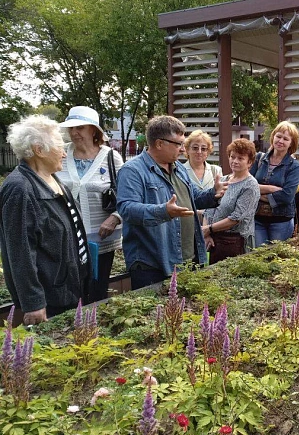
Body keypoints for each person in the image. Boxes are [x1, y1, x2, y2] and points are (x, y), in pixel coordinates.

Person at [116, 116, 227, 290]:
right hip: (153, 263)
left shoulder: (178, 167)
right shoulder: (132, 171)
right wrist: (164, 211)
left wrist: (214, 194)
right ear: (159, 143)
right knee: (156, 314)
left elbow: (193, 198)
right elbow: (127, 209)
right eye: (179, 144)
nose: (183, 149)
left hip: (187, 257)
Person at [0, 115, 92, 324]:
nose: (64, 152)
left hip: (71, 289)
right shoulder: (20, 189)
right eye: (59, 146)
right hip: (50, 299)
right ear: (39, 150)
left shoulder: (51, 178)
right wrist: (33, 303)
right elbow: (19, 252)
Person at [56, 106, 124, 302]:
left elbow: (127, 195)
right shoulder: (60, 155)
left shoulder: (111, 157)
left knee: (96, 290)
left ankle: (93, 330)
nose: (74, 133)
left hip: (100, 238)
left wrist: (116, 217)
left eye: (80, 127)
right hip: (66, 239)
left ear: (94, 130)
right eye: (71, 128)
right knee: (70, 292)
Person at [202, 139, 260, 264]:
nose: (235, 161)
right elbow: (209, 208)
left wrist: (208, 229)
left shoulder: (250, 185)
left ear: (249, 162)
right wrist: (206, 233)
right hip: (214, 239)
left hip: (234, 242)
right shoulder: (223, 179)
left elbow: (235, 218)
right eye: (232, 157)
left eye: (240, 158)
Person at [249, 121, 299, 245]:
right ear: (273, 137)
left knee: (277, 259)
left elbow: (287, 196)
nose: (280, 141)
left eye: (285, 139)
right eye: (278, 136)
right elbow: (247, 185)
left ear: (291, 143)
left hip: (281, 221)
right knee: (258, 257)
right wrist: (272, 189)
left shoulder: (294, 167)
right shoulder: (259, 159)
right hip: (257, 219)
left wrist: (258, 192)